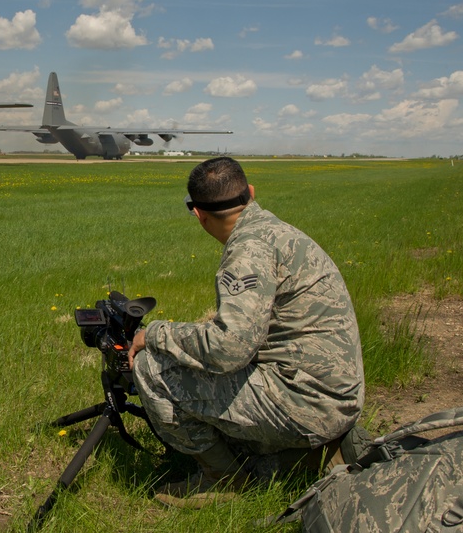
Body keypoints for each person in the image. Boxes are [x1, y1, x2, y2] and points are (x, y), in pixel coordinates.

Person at [127, 156, 365, 506]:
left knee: (152, 368)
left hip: (311, 403)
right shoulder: (273, 230)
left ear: (198, 214)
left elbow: (228, 348)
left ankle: (223, 480)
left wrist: (155, 334)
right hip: (334, 393)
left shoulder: (248, 251)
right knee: (198, 355)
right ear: (250, 193)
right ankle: (304, 455)